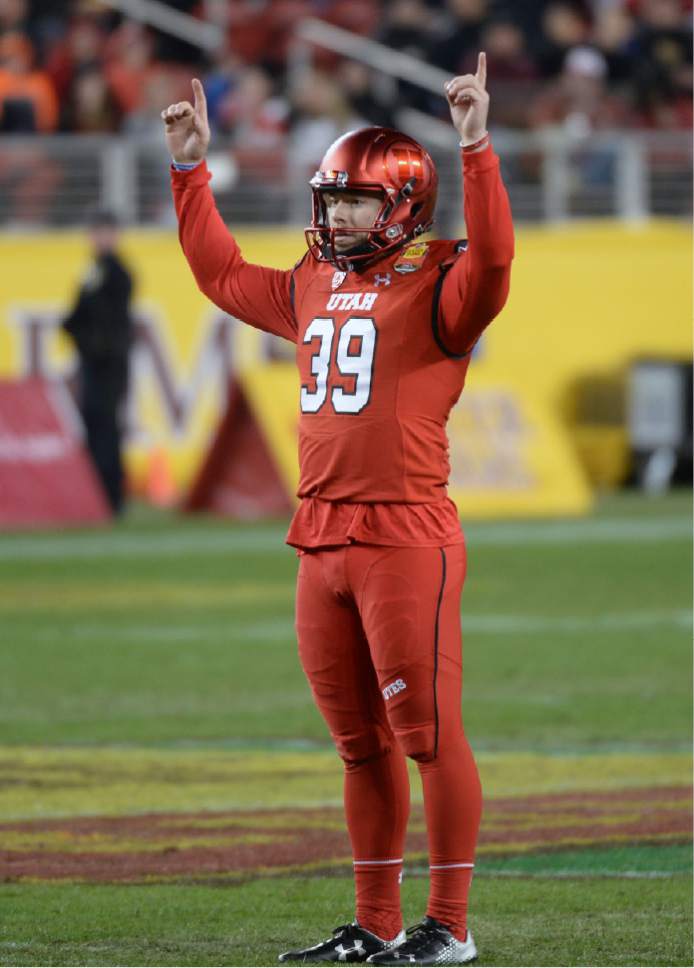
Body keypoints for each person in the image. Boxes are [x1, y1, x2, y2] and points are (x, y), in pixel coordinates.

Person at [162, 56, 513, 965]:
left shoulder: (442, 277)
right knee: (361, 748)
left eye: (355, 201)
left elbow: (499, 259)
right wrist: (190, 172)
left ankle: (451, 926)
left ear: (400, 205)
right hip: (319, 536)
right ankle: (376, 924)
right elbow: (221, 275)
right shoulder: (313, 278)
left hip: (404, 534)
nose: (337, 216)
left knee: (427, 737)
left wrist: (477, 149)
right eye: (333, 199)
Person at [62, 209, 133, 515]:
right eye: (97, 232)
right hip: (93, 364)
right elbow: (76, 317)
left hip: (110, 365)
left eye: (106, 231)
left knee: (107, 428)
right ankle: (96, 496)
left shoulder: (118, 274)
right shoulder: (93, 273)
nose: (101, 238)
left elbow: (105, 320)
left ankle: (111, 495)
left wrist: (88, 340)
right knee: (95, 426)